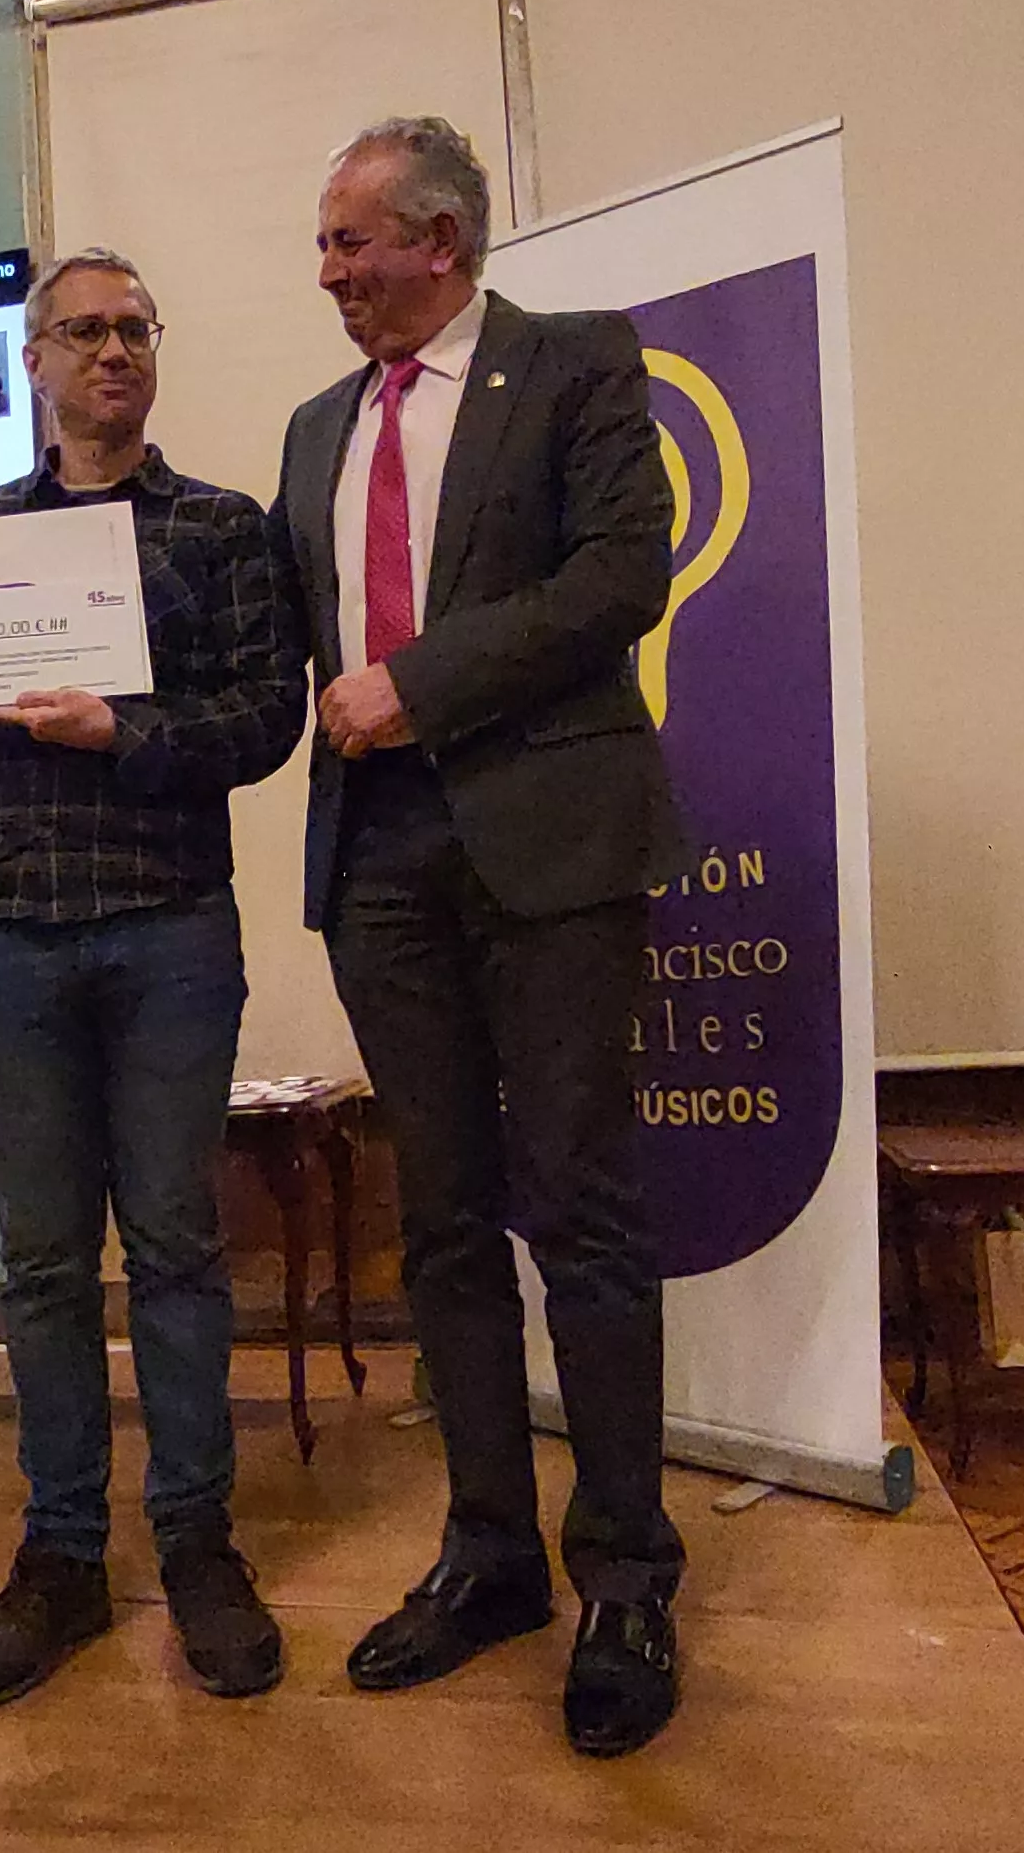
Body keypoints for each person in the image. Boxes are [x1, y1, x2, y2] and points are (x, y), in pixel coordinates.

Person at [0, 248, 309, 1709]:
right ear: (32, 360)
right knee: (40, 1265)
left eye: (134, 329)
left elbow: (265, 718)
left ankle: (198, 1542)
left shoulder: (221, 527)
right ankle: (61, 1555)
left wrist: (124, 732)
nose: (113, 350)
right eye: (84, 331)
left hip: (166, 927)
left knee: (174, 1248)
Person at [269, 116, 690, 1757]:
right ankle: (491, 1553)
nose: (325, 272)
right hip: (376, 856)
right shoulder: (314, 428)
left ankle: (625, 1577)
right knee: (440, 1223)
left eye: (347, 241)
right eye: (323, 243)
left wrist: (421, 684)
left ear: (436, 240)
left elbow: (619, 577)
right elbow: (281, 634)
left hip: (548, 837)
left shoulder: (574, 363)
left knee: (577, 1208)